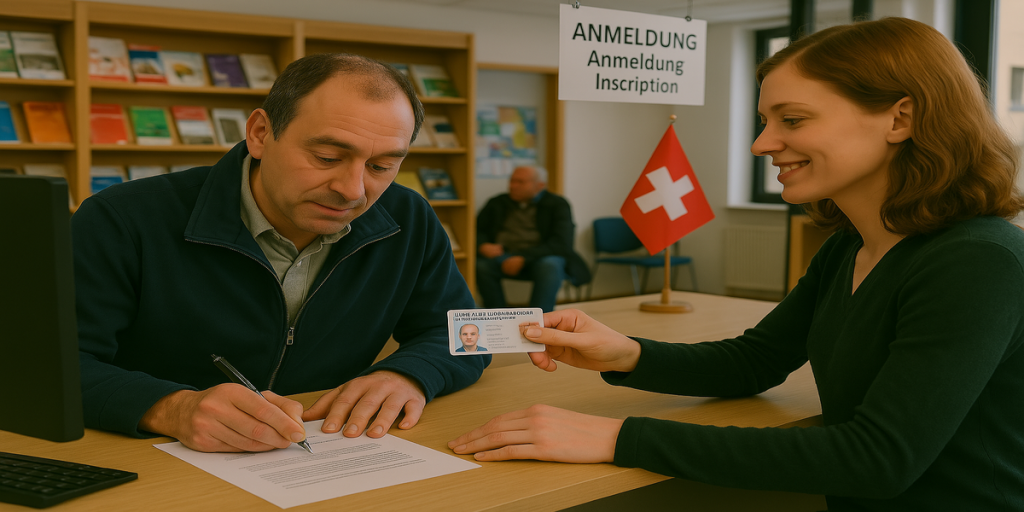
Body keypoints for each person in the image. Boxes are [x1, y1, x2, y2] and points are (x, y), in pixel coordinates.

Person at [448, 17, 1024, 510]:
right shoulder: (851, 246)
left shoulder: (978, 261)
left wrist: (616, 437)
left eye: (792, 120)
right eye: (765, 122)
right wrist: (625, 352)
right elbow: (755, 361)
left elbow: (876, 458)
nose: (761, 144)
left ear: (901, 118)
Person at [73, 53, 488, 453]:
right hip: (149, 459)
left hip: (323, 456)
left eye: (381, 167)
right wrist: (170, 407)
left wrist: (407, 375)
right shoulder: (122, 219)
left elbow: (464, 333)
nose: (353, 190)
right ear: (259, 134)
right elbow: (54, 364)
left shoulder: (407, 217)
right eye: (327, 157)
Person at [476, 166, 590, 312]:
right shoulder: (497, 202)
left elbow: (562, 243)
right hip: (504, 255)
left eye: (520, 182)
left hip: (540, 257)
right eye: (512, 181)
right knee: (481, 266)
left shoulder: (557, 204)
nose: (513, 186)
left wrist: (524, 257)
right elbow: (477, 230)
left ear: (540, 185)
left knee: (550, 265)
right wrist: (482, 245)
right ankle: (497, 315)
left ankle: (540, 318)